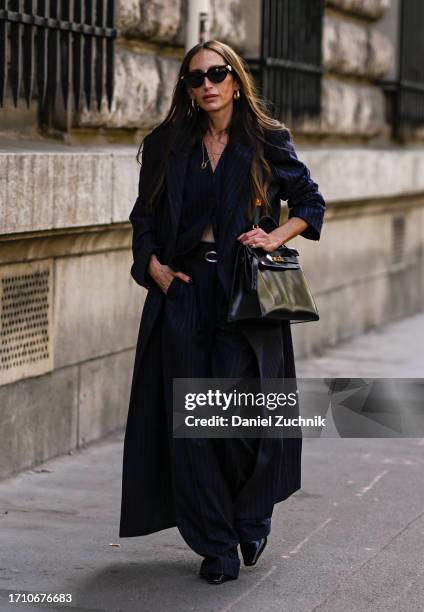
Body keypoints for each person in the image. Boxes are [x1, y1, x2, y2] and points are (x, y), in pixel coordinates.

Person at [119, 39, 326, 585]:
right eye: (195, 78)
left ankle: (251, 515)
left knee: (240, 419)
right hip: (185, 289)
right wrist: (154, 268)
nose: (207, 84)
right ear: (186, 89)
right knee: (193, 426)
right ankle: (216, 544)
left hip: (246, 293)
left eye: (217, 73)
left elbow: (310, 203)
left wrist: (273, 236)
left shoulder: (266, 140)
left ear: (235, 79)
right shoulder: (167, 144)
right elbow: (143, 219)